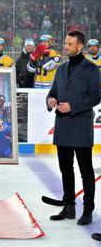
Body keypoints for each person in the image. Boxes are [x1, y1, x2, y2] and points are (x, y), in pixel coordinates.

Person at [47, 31, 100, 226]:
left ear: (80, 47)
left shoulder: (92, 69)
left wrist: (73, 106)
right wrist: (50, 100)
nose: (66, 46)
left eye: (70, 44)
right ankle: (69, 207)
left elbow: (96, 97)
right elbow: (53, 92)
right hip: (63, 125)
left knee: (85, 171)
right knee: (65, 168)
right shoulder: (61, 69)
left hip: (80, 125)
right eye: (65, 43)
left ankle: (87, 210)